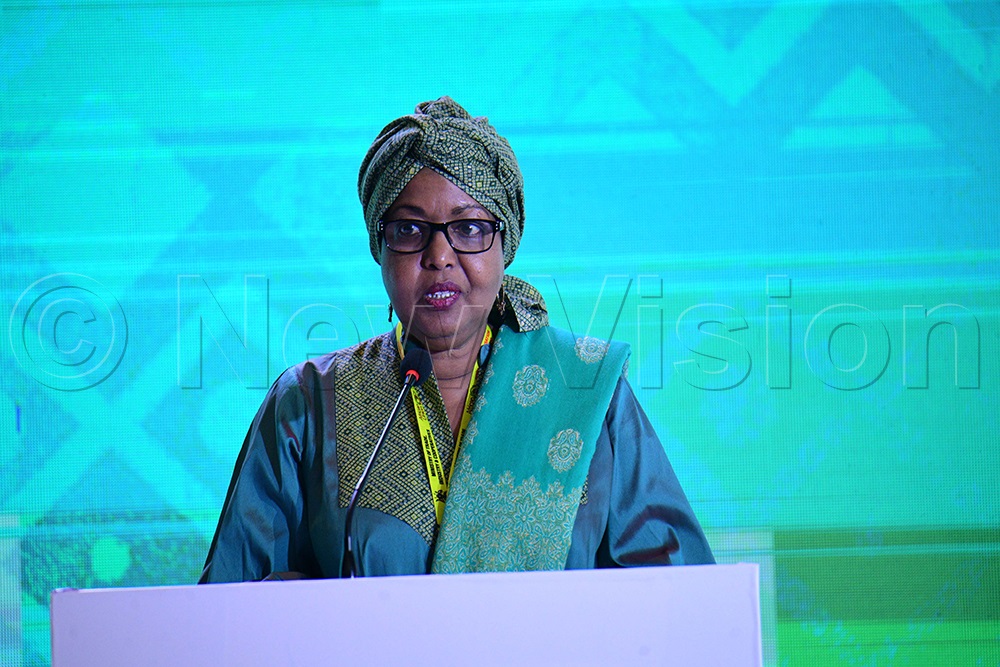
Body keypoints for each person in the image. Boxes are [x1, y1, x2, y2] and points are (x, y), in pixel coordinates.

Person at [199, 97, 713, 582]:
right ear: (380, 250)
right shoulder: (310, 402)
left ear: (503, 246)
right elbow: (229, 613)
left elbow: (676, 603)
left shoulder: (585, 392)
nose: (440, 256)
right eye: (409, 230)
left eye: (468, 229)